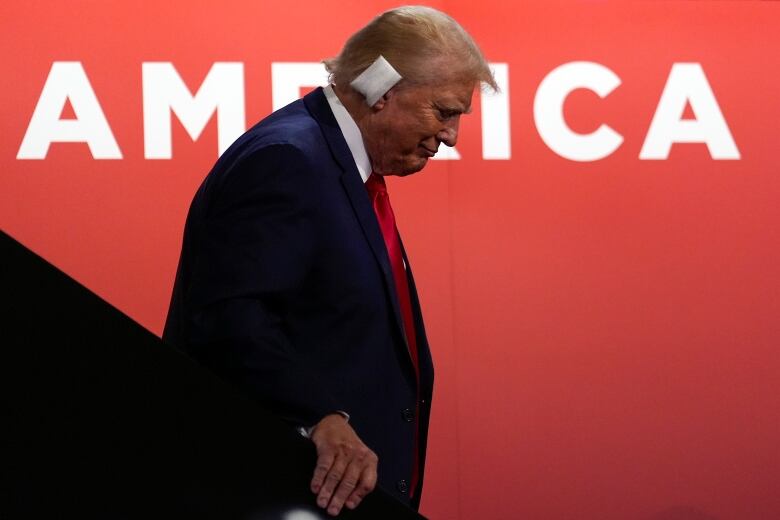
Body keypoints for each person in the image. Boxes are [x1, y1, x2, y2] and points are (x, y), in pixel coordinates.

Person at [162, 5, 496, 516]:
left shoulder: (339, 165)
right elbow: (229, 321)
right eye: (444, 111)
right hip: (277, 493)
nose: (450, 137)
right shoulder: (288, 160)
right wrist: (320, 417)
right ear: (382, 90)